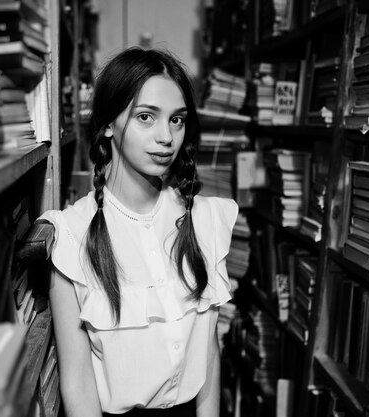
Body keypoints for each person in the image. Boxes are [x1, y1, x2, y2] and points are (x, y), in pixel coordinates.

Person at [39, 47, 238, 417]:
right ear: (109, 123)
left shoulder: (205, 221)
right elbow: (78, 381)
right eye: (146, 117)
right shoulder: (70, 235)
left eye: (177, 120)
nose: (167, 137)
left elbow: (208, 353)